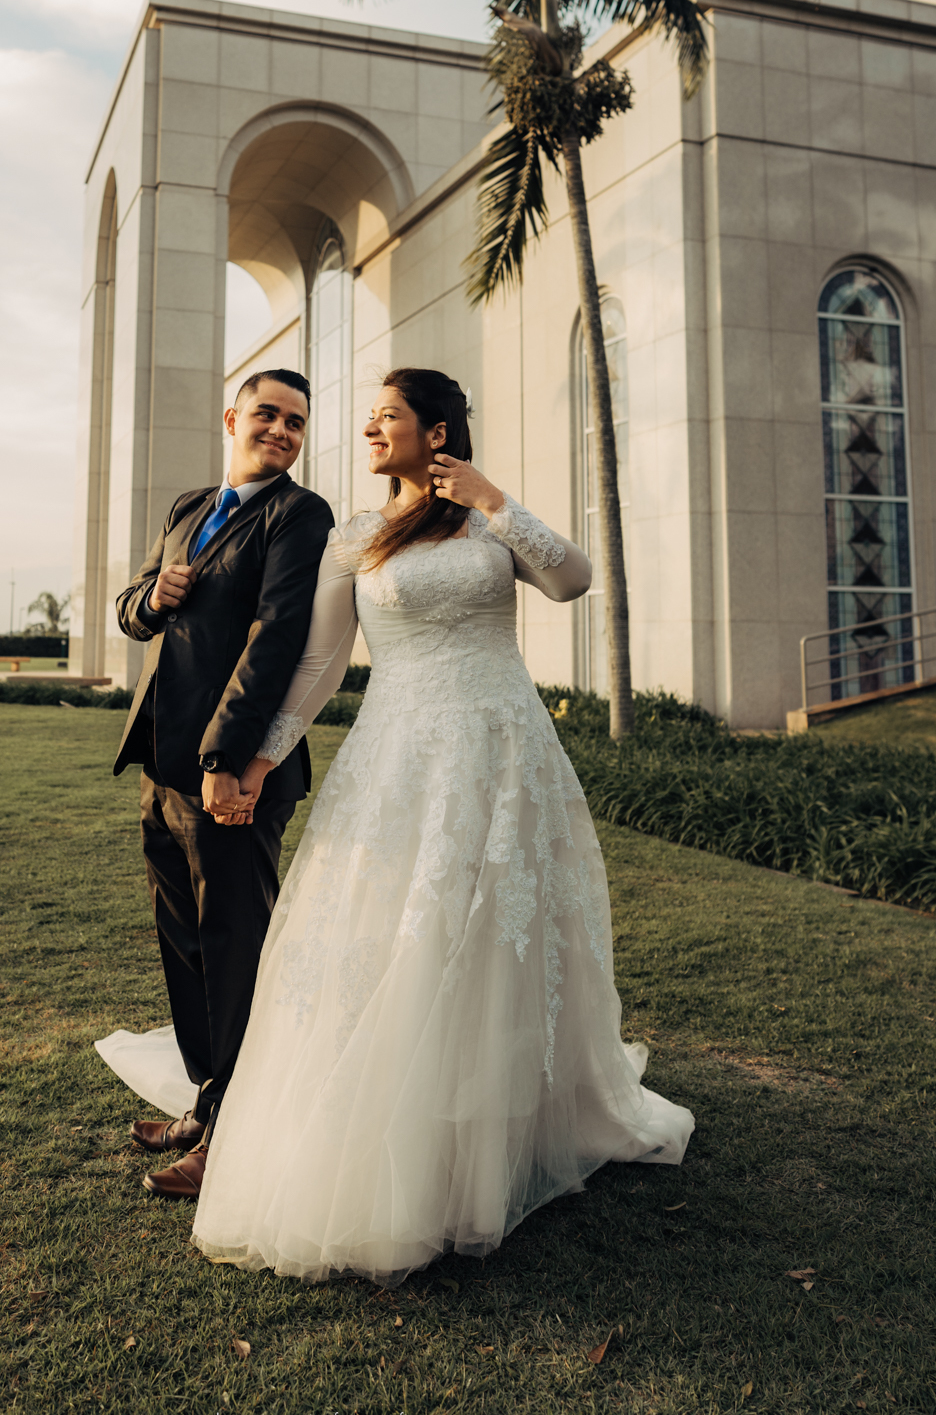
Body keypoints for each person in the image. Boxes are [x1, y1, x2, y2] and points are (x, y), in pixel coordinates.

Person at [187, 367, 695, 1283]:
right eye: (372, 418)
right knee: (402, 929)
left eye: (388, 417)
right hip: (401, 755)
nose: (371, 430)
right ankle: (404, 1124)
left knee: (495, 929)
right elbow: (320, 666)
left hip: (505, 752)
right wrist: (260, 758)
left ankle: (505, 1110)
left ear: (438, 432)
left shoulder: (490, 522)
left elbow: (573, 580)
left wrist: (493, 499)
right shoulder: (352, 537)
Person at [106, 370, 334, 1201]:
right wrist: (151, 597)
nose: (282, 430)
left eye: (296, 422)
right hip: (159, 764)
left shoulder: (300, 515)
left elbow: (277, 639)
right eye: (268, 414)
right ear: (233, 418)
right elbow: (130, 608)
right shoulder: (189, 507)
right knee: (185, 945)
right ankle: (207, 1102)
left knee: (236, 949)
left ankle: (236, 1132)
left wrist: (222, 759)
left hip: (230, 776)